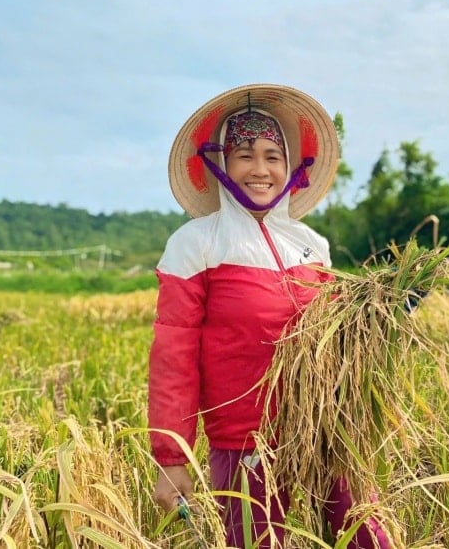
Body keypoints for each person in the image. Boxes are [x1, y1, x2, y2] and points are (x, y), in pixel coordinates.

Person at [148, 84, 392, 548]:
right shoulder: (197, 243)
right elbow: (173, 354)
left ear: (290, 168)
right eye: (244, 154)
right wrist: (171, 457)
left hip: (323, 428)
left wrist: (381, 313)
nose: (259, 169)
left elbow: (333, 337)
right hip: (245, 442)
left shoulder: (311, 245)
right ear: (219, 164)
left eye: (272, 156)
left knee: (369, 538)